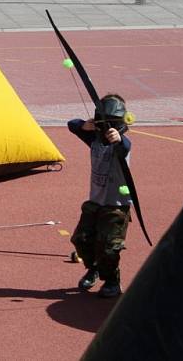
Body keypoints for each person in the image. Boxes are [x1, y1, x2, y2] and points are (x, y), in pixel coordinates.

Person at [68, 94, 132, 298]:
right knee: (81, 239)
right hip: (95, 201)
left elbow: (124, 146)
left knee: (109, 248)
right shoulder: (95, 139)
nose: (105, 129)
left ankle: (112, 281)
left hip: (116, 206)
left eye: (110, 124)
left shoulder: (122, 143)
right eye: (101, 123)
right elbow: (72, 124)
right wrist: (86, 126)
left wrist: (118, 138)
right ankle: (93, 269)